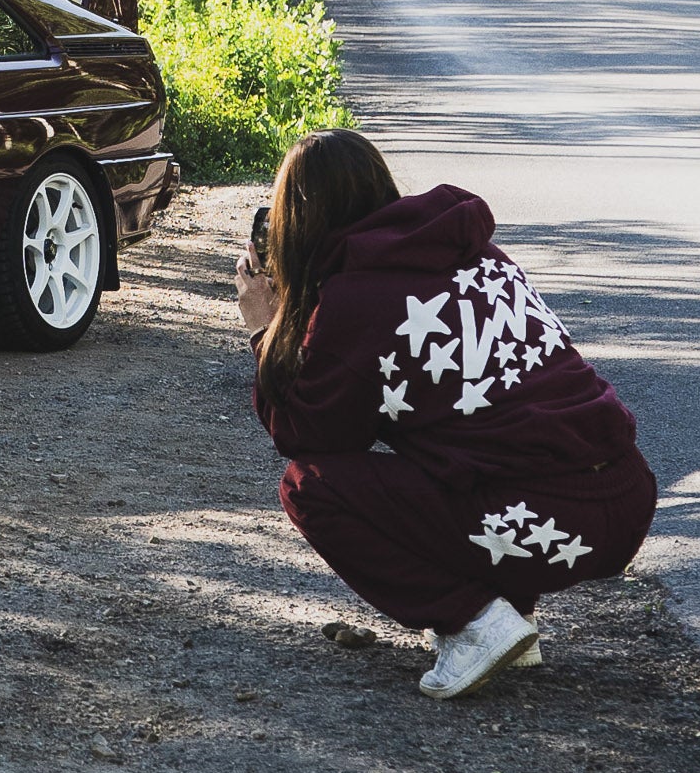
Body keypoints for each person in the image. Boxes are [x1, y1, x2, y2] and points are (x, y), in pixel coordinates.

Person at [233, 128, 656, 699]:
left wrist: (265, 330)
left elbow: (305, 434)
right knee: (474, 447)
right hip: (625, 500)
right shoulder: (476, 253)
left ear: (297, 224)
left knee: (312, 487)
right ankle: (514, 625)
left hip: (542, 521)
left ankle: (475, 623)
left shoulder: (356, 300)